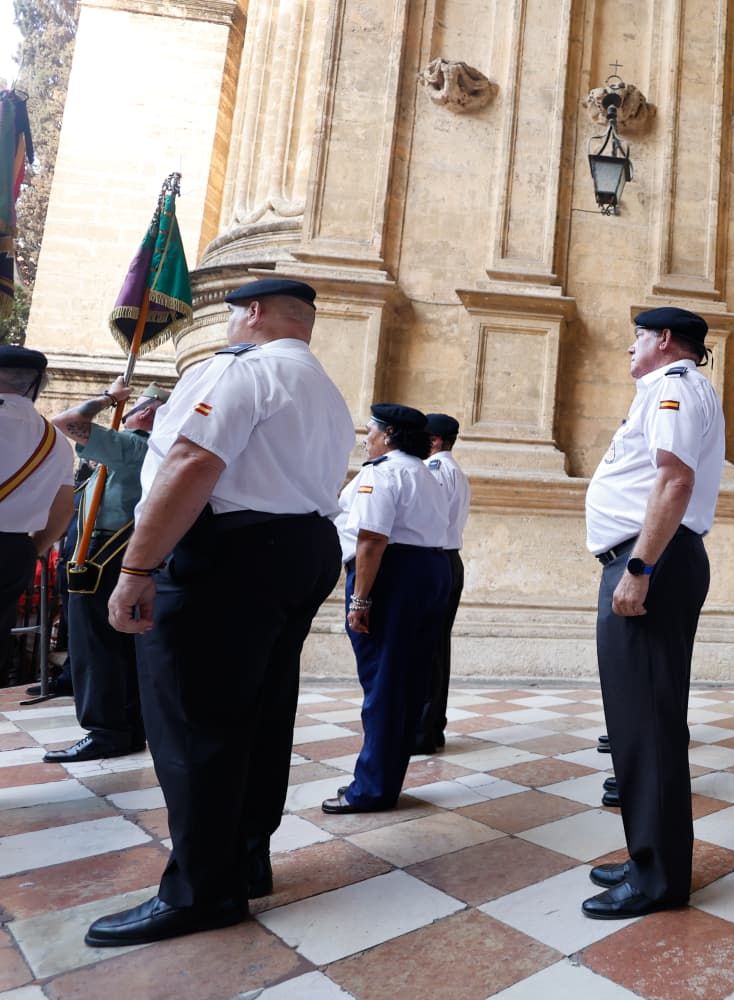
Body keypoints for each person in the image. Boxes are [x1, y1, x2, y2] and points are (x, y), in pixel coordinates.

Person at [88, 278, 354, 947]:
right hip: (300, 546)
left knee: (194, 720)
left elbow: (191, 460)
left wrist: (137, 568)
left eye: (234, 316)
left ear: (252, 313)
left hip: (228, 554)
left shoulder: (242, 371)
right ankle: (244, 857)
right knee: (260, 712)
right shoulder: (324, 388)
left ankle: (203, 891)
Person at [580, 305, 724, 919]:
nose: (629, 347)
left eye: (637, 336)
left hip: (651, 563)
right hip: (649, 559)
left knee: (647, 723)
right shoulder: (666, 389)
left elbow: (674, 481)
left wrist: (638, 569)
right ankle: (649, 855)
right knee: (637, 720)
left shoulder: (675, 387)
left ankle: (659, 877)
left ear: (665, 340)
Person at [322, 404, 452, 814]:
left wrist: (360, 599)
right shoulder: (425, 473)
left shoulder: (382, 472)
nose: (366, 438)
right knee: (405, 684)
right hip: (428, 571)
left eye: (371, 430)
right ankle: (383, 779)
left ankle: (372, 788)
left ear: (389, 434)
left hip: (393, 576)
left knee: (383, 684)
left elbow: (371, 539)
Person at [43, 378, 168, 763]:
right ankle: (123, 729)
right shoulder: (137, 448)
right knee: (109, 648)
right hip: (101, 552)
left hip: (103, 555)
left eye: (133, 407)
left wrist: (108, 397)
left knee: (96, 648)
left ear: (145, 413)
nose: (125, 414)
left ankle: (107, 731)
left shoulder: (134, 445)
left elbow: (65, 422)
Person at [0, 346, 74, 683]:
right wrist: (34, 549)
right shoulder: (55, 440)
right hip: (13, 551)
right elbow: (64, 508)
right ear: (36, 384)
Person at [413, 411, 470, 755]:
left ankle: (422, 730)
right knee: (437, 648)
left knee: (426, 647)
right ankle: (433, 726)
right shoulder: (454, 471)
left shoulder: (434, 470)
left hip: (435, 557)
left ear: (434, 441)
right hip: (449, 559)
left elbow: (425, 518)